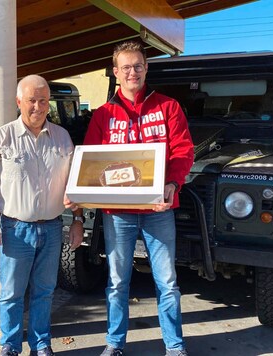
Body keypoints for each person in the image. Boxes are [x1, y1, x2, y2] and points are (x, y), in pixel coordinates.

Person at [74, 41, 194, 356]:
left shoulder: (168, 106)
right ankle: (114, 344)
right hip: (118, 214)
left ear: (146, 68)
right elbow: (91, 162)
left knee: (167, 282)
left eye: (138, 65)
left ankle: (175, 346)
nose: (132, 72)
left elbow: (183, 150)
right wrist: (83, 193)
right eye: (125, 67)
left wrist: (172, 182)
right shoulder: (103, 114)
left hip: (159, 209)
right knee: (116, 282)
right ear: (116, 72)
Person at [0, 74, 84, 356]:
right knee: (11, 294)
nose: (38, 107)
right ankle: (10, 346)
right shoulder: (3, 137)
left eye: (43, 101)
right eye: (31, 100)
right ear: (18, 102)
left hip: (52, 228)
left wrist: (78, 220)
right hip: (15, 229)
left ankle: (41, 345)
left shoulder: (62, 137)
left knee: (44, 291)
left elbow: (76, 183)